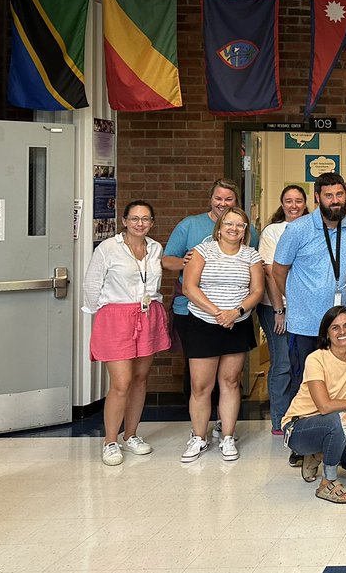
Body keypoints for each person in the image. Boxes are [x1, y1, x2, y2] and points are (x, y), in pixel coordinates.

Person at [83, 200, 171, 466]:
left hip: (148, 314)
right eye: (134, 218)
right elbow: (92, 284)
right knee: (121, 382)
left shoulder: (155, 248)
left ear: (152, 222)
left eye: (145, 219)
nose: (140, 223)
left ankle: (131, 435)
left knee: (141, 379)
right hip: (116, 316)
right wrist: (103, 313)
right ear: (124, 221)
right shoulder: (108, 248)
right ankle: (110, 441)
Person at [273, 172, 346, 417]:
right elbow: (278, 271)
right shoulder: (298, 229)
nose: (335, 200)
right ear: (317, 198)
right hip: (305, 324)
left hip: (339, 326)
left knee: (338, 382)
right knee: (303, 381)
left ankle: (336, 433)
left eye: (339, 194)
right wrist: (296, 298)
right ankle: (299, 437)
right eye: (328, 195)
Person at [178, 207, 265, 463]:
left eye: (240, 225)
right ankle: (199, 437)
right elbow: (189, 287)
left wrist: (235, 312)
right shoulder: (202, 251)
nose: (234, 229)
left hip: (237, 324)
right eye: (229, 223)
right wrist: (218, 312)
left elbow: (257, 291)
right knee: (200, 386)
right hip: (204, 323)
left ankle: (228, 436)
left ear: (245, 230)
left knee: (230, 382)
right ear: (220, 226)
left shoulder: (251, 255)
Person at [281, 306, 346, 504]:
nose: (342, 332)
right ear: (327, 333)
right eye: (335, 328)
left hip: (338, 426)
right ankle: (328, 481)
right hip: (299, 427)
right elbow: (324, 406)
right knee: (343, 417)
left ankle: (319, 454)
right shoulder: (315, 359)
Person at [162, 179, 258, 364]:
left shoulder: (247, 230)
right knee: (196, 375)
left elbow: (253, 265)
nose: (222, 203)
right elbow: (166, 261)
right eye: (218, 198)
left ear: (236, 201)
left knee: (229, 378)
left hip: (234, 313)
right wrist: (190, 263)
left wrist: (235, 311)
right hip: (191, 309)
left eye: (229, 199)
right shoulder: (190, 225)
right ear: (210, 199)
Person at [258, 184, 308, 434]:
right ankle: (280, 420)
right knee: (283, 363)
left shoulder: (312, 227)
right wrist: (280, 309)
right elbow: (269, 272)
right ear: (282, 203)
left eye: (298, 200)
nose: (294, 205)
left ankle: (300, 417)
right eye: (288, 201)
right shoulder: (273, 231)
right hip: (276, 308)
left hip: (305, 308)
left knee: (304, 364)